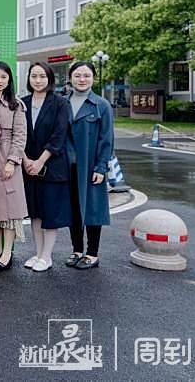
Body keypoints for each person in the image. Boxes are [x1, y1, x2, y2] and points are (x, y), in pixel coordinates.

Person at [21, 62, 72, 272]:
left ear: (50, 79)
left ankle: (47, 256)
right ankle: (38, 253)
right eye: (34, 76)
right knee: (35, 212)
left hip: (52, 167)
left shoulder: (60, 103)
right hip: (28, 166)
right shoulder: (22, 103)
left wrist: (40, 161)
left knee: (50, 212)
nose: (38, 80)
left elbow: (58, 136)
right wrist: (25, 160)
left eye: (42, 76)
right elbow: (18, 135)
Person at [64, 61, 114, 270]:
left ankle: (92, 253)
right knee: (73, 209)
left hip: (91, 167)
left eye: (86, 75)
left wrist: (101, 167)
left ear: (93, 78)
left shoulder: (101, 105)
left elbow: (106, 139)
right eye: (77, 75)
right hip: (67, 167)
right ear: (70, 78)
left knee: (93, 209)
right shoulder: (63, 103)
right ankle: (77, 250)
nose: (82, 79)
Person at [0, 61, 28, 271]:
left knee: (9, 208)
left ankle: (7, 252)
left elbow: (20, 136)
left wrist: (12, 161)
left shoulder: (16, 104)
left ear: (9, 80)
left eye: (3, 77)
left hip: (8, 159)